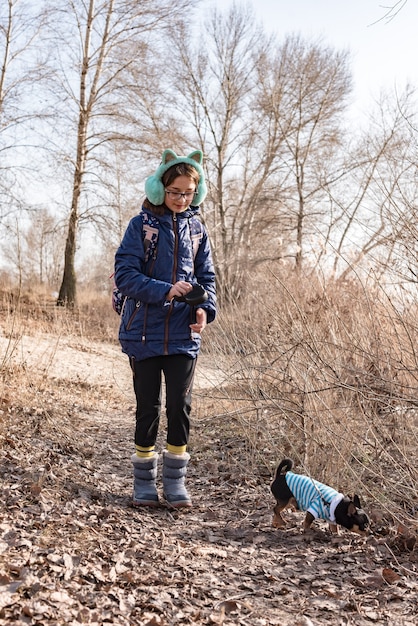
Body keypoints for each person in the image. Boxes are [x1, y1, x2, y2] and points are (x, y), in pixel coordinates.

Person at [114, 149, 216, 509]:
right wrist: (165, 291)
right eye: (175, 191)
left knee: (180, 407)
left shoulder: (198, 230)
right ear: (159, 188)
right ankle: (144, 482)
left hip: (184, 334)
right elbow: (125, 275)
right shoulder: (140, 226)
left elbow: (208, 278)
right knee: (149, 407)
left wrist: (205, 309)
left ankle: (175, 483)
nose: (181, 199)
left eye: (188, 193)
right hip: (142, 332)